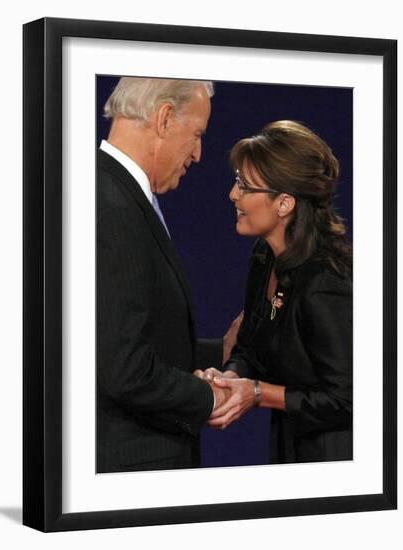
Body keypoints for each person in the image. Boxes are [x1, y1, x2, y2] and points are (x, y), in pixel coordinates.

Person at [97, 77, 230, 473]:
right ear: (165, 118)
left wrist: (217, 352)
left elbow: (116, 333)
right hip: (131, 472)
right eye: (197, 135)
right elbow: (124, 370)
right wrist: (209, 397)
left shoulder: (117, 194)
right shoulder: (109, 205)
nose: (199, 153)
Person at [198, 120, 352, 464]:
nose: (232, 195)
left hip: (336, 458)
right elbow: (250, 345)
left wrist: (257, 393)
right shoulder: (264, 256)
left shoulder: (326, 283)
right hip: (288, 445)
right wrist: (230, 376)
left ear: (284, 203)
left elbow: (348, 400)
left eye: (244, 186)